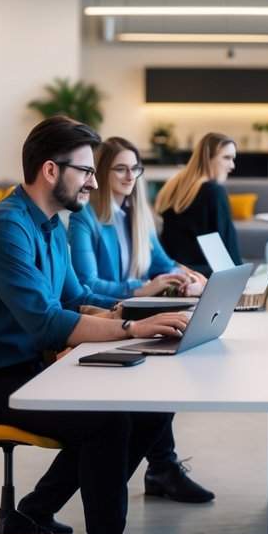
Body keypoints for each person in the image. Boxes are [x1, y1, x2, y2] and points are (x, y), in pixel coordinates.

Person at [0, 118, 188, 534]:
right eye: (86, 172)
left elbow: (77, 296)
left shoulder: (52, 225)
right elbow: (48, 323)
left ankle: (30, 516)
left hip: (25, 367)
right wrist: (131, 330)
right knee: (106, 424)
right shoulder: (5, 228)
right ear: (51, 170)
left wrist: (140, 310)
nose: (94, 183)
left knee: (151, 410)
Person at [68, 136, 215, 504]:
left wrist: (190, 277)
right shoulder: (85, 219)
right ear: (101, 173)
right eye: (120, 168)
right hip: (103, 318)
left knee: (176, 359)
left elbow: (164, 264)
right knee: (160, 376)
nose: (130, 175)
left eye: (135, 168)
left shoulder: (138, 215)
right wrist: (142, 287)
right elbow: (86, 285)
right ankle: (162, 468)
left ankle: (162, 467)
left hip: (135, 312)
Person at [155, 132, 241, 275]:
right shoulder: (214, 191)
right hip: (203, 277)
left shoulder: (173, 186)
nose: (232, 165)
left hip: (172, 274)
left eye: (233, 159)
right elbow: (230, 255)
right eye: (226, 158)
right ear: (208, 159)